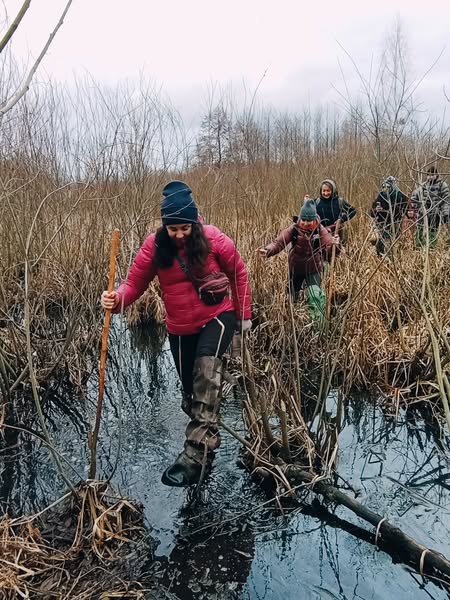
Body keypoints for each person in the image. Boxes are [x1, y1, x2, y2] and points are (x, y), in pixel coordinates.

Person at [101, 181, 252, 487]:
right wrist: (116, 299)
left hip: (217, 316)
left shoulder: (214, 239)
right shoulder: (154, 247)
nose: (180, 234)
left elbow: (239, 272)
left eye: (185, 228)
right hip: (180, 327)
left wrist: (243, 317)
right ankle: (207, 435)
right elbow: (134, 284)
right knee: (191, 394)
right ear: (165, 226)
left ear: (194, 222)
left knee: (207, 373)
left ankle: (194, 456)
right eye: (174, 229)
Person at [258, 198, 338, 327]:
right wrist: (268, 250)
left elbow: (329, 244)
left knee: (315, 296)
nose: (306, 223)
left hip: (313, 268)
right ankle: (291, 322)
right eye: (304, 220)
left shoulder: (320, 230)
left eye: (309, 220)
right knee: (291, 297)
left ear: (314, 219)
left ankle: (317, 324)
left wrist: (335, 245)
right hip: (295, 268)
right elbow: (279, 242)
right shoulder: (294, 229)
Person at [410, 166, 450, 248]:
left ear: (436, 175)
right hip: (423, 213)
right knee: (419, 231)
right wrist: (415, 205)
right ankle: (419, 248)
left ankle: (431, 249)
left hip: (435, 213)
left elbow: (446, 200)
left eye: (432, 174)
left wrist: (445, 213)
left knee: (432, 232)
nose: (430, 176)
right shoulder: (424, 185)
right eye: (428, 175)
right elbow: (415, 196)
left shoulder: (442, 185)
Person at [369, 176, 409, 257]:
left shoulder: (400, 196)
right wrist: (376, 210)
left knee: (392, 244)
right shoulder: (381, 196)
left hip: (395, 223)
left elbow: (407, 209)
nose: (385, 189)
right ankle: (380, 257)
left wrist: (406, 214)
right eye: (384, 187)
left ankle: (393, 259)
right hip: (382, 223)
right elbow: (372, 212)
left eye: (387, 187)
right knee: (380, 243)